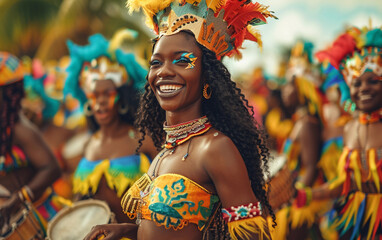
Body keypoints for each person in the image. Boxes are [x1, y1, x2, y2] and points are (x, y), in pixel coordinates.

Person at [84, 0, 276, 239]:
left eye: (182, 60)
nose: (163, 71)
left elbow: (252, 236)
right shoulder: (166, 149)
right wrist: (129, 230)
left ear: (207, 77)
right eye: (156, 62)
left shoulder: (215, 148)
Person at [296, 26, 382, 239]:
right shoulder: (350, 128)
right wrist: (306, 195)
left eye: (373, 81)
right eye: (356, 83)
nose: (363, 88)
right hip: (354, 224)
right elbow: (344, 183)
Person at [64, 31, 157, 223]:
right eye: (94, 95)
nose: (101, 102)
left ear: (122, 97)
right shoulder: (89, 143)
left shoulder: (144, 138)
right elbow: (86, 202)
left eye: (108, 93)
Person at [0, 52, 61, 232]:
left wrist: (19, 198)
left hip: (39, 218)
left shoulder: (20, 129)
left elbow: (52, 169)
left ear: (8, 94)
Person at [273, 41, 326, 239]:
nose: (284, 91)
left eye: (289, 86)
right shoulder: (300, 121)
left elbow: (311, 167)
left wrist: (294, 200)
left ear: (303, 88)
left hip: (304, 200)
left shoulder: (307, 124)